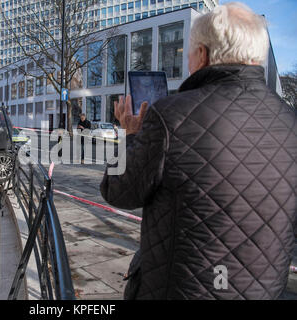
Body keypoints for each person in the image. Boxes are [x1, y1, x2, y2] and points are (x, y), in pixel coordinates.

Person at [100, 2, 296, 300]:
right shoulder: (290, 121)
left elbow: (116, 190)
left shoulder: (170, 116)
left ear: (202, 55)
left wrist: (130, 135)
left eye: (189, 54)